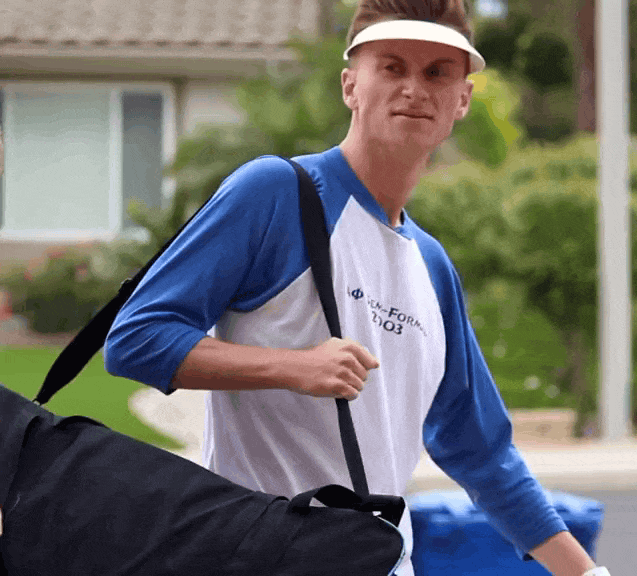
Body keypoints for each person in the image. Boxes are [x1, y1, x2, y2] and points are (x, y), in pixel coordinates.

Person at [104, 1, 609, 575]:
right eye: (392, 67)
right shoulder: (277, 194)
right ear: (351, 86)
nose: (414, 88)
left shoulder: (431, 265)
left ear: (463, 99)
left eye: (437, 72)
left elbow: (483, 454)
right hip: (262, 559)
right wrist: (293, 367)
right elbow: (135, 339)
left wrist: (587, 573)